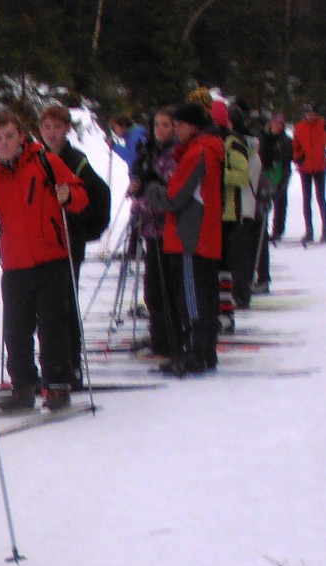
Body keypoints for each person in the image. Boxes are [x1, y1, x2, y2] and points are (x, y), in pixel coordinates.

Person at [0, 109, 89, 412]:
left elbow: (80, 196)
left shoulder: (47, 163)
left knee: (53, 326)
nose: (4, 142)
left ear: (21, 136)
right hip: (15, 264)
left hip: (52, 259)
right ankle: (23, 387)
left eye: (9, 136)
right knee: (15, 329)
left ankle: (57, 385)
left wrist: (68, 195)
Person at [146, 101, 224, 375]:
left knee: (191, 296)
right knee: (205, 293)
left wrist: (151, 189)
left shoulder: (198, 151)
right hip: (202, 233)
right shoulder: (207, 148)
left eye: (179, 124)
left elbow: (174, 196)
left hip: (191, 235)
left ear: (193, 126)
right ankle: (205, 351)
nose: (175, 129)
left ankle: (195, 351)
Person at [38, 104, 111, 387]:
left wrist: (86, 226)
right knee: (48, 307)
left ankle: (72, 363)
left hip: (70, 240)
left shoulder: (75, 160)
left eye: (57, 127)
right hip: (46, 241)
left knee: (66, 303)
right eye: (47, 128)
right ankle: (55, 363)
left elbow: (99, 193)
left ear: (67, 128)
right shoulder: (37, 157)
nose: (52, 133)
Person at [128, 107, 180, 357]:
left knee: (165, 288)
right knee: (153, 289)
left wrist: (144, 195)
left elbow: (168, 193)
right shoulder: (151, 151)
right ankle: (159, 336)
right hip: (151, 228)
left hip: (168, 229)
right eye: (157, 125)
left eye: (165, 125)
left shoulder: (175, 153)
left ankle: (170, 339)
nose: (160, 130)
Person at [217, 103, 261, 309]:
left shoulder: (236, 145)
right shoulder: (247, 144)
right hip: (245, 205)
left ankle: (241, 294)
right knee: (241, 255)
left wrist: (219, 174)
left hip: (239, 206)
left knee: (238, 256)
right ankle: (241, 293)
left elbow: (243, 176)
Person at [292, 103, 326, 242]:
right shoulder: (299, 127)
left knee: (321, 198)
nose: (310, 116)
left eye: (312, 113)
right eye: (308, 113)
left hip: (320, 166)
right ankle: (309, 230)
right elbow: (295, 146)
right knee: (306, 199)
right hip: (305, 167)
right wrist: (297, 158)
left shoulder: (323, 125)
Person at [260, 111, 294, 243]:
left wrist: (280, 154)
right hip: (268, 173)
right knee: (266, 201)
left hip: (281, 173)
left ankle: (278, 230)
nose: (276, 126)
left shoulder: (286, 140)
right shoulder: (266, 138)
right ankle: (264, 229)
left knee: (280, 202)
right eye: (274, 123)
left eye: (278, 123)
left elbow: (290, 156)